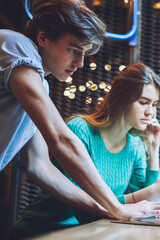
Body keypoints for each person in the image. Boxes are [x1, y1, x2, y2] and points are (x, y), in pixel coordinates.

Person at [0, 0, 160, 229]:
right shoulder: (14, 44)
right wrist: (118, 208)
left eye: (84, 53)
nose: (80, 63)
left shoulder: (39, 87)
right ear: (43, 37)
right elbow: (61, 139)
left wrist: (108, 209)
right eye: (73, 49)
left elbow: (39, 167)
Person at [11, 62, 160, 239]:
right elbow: (78, 209)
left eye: (155, 105)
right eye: (144, 103)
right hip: (43, 231)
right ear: (121, 98)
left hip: (90, 233)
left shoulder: (135, 146)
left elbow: (148, 211)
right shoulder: (81, 130)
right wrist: (148, 194)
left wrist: (153, 150)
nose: (151, 112)